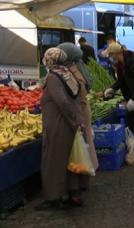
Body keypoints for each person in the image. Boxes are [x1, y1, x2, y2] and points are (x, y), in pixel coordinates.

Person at [38, 48, 84, 210]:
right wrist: (77, 121)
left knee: (53, 161)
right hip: (69, 123)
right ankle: (73, 192)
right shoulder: (67, 73)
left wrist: (73, 121)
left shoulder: (53, 77)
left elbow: (62, 102)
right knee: (69, 160)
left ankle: (53, 198)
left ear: (50, 61)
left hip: (59, 124)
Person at [57, 43, 99, 185]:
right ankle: (86, 176)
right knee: (86, 144)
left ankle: (80, 181)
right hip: (83, 111)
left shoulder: (70, 73)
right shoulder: (79, 68)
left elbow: (68, 97)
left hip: (78, 112)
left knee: (79, 149)